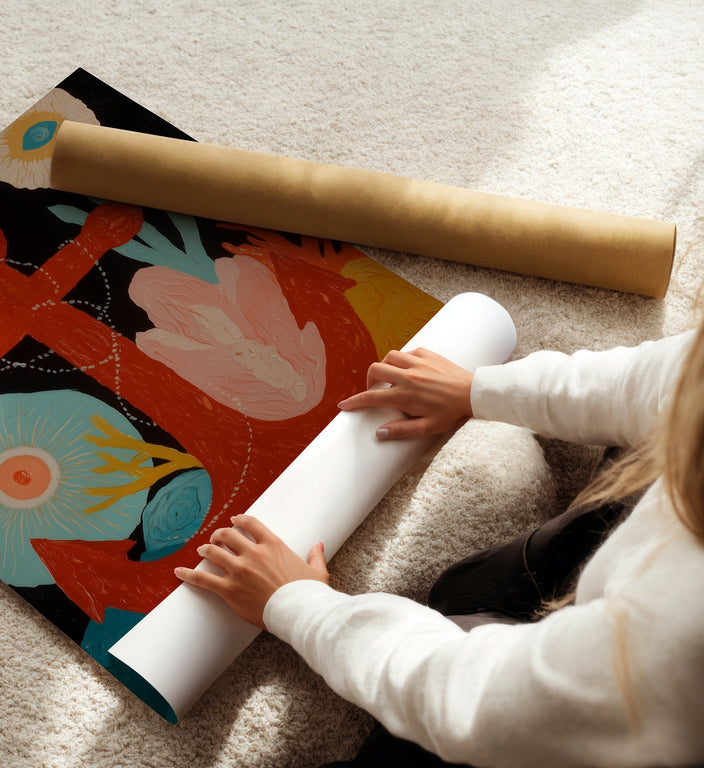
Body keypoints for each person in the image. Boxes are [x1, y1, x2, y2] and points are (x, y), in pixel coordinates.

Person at [175, 325, 704, 767]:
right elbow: (663, 378)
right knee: (467, 591)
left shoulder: (678, 638)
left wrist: (298, 604)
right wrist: (477, 390)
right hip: (632, 607)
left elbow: (473, 700)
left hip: (627, 718)